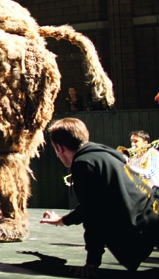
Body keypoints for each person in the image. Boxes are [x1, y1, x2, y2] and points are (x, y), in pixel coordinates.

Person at [40, 117, 159, 276]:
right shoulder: (103, 152)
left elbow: (93, 215)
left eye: (55, 150)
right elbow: (91, 206)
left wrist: (92, 263)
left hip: (143, 229)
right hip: (153, 213)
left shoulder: (83, 164)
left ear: (60, 148)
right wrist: (64, 220)